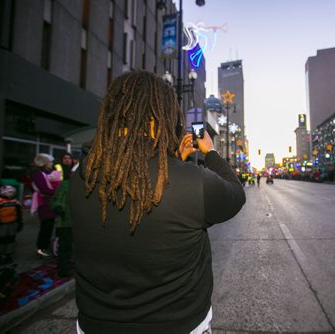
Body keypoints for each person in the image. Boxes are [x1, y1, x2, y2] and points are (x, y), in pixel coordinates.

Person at [69, 70, 246, 333]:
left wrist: (174, 156)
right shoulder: (192, 182)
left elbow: (144, 175)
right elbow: (235, 193)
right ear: (158, 120)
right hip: (179, 325)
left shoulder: (82, 175)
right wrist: (209, 151)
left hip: (95, 324)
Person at [31, 153, 61, 257]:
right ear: (44, 163)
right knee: (46, 227)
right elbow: (44, 189)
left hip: (48, 203)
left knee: (49, 225)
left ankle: (45, 245)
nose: (52, 163)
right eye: (50, 161)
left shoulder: (46, 173)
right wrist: (58, 191)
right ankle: (41, 248)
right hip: (44, 204)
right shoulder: (39, 174)